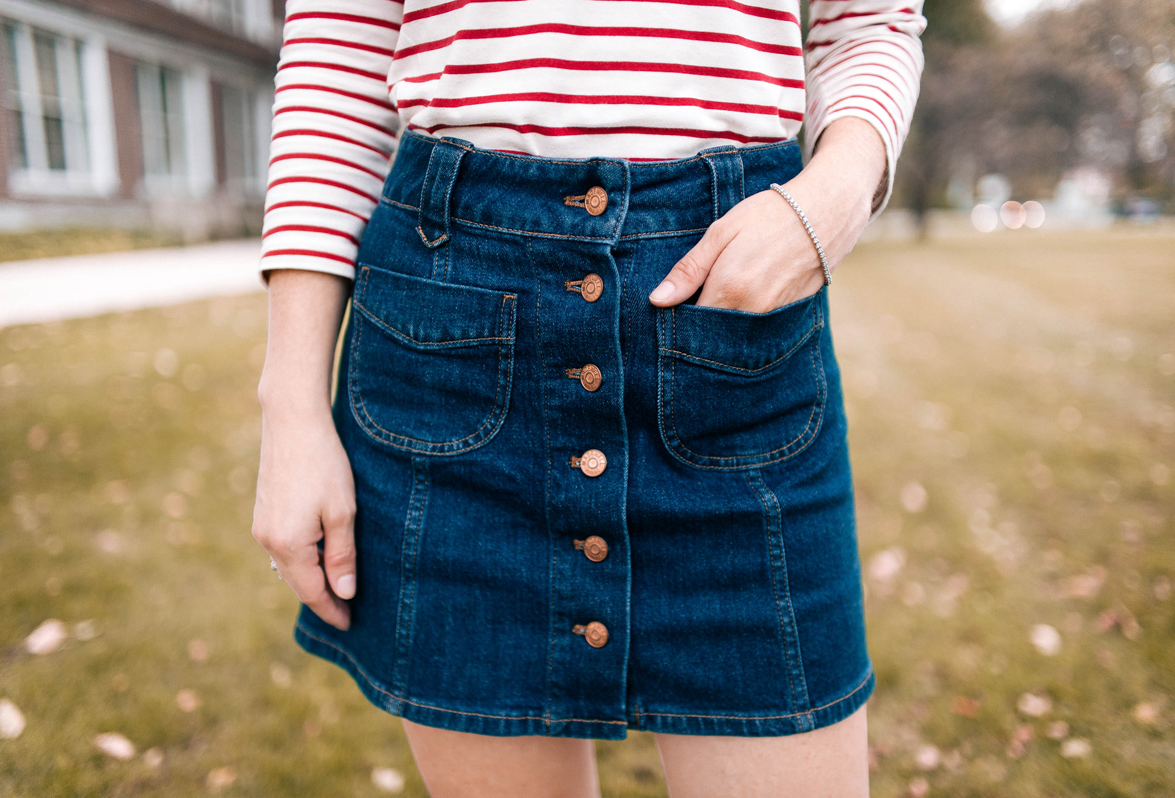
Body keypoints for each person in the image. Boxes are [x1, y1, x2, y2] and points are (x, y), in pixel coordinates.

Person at [252, 1, 925, 795]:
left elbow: (873, 19)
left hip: (734, 310)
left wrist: (835, 194)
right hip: (455, 318)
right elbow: (339, 53)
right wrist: (291, 403)